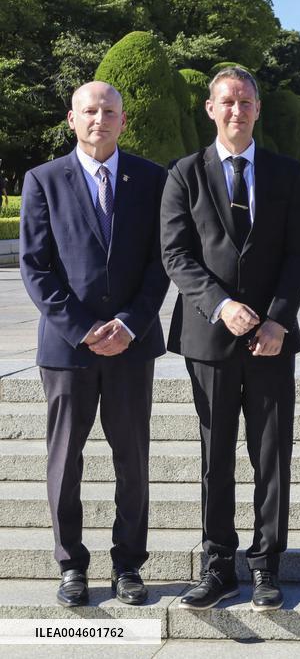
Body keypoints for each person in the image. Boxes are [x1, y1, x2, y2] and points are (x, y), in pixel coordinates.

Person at [160, 66, 300, 611]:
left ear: (257, 110)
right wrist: (223, 306)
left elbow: (299, 253)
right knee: (214, 456)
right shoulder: (184, 174)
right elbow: (176, 254)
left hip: (271, 340)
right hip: (210, 338)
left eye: (245, 101)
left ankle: (267, 566)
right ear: (210, 108)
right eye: (226, 101)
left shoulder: (285, 172)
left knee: (272, 457)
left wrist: (277, 320)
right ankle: (218, 564)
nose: (236, 110)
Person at [20, 81, 169, 607]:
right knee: (65, 460)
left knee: (133, 459)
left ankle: (129, 564)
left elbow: (161, 261)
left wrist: (128, 323)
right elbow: (35, 266)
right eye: (90, 111)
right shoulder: (43, 180)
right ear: (71, 118)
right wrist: (82, 329)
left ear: (123, 121)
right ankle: (70, 566)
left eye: (109, 111)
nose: (99, 119)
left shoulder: (152, 179)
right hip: (67, 349)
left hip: (132, 343)